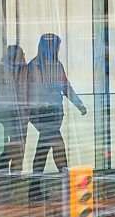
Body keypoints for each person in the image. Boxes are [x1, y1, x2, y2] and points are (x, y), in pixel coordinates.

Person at [27, 33, 87, 201]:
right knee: (56, 145)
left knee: (46, 147)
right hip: (42, 113)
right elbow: (32, 92)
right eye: (55, 46)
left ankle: (36, 188)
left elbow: (65, 87)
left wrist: (79, 104)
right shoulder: (34, 66)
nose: (57, 49)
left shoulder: (56, 65)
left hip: (54, 113)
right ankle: (66, 186)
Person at [0, 45, 29, 174]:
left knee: (15, 143)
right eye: (22, 55)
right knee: (16, 144)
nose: (24, 57)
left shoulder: (6, 69)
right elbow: (15, 94)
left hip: (7, 111)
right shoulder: (10, 71)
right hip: (9, 112)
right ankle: (8, 169)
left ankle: (8, 170)